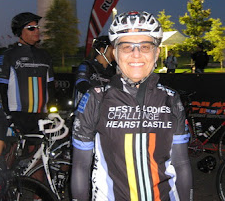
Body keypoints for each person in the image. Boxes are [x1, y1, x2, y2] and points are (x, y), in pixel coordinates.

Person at [71, 11, 193, 201]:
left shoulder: (171, 99)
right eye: (127, 47)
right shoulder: (95, 99)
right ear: (115, 52)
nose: (136, 54)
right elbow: (80, 166)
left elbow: (182, 163)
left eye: (145, 46)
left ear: (157, 52)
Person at [0, 12, 55, 134]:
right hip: (17, 114)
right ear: (20, 32)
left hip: (41, 115)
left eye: (37, 27)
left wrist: (52, 112)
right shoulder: (8, 55)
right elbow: (1, 88)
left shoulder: (45, 55)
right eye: (31, 28)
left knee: (39, 152)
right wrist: (7, 115)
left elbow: (51, 87)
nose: (37, 31)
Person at [73, 35, 116, 108]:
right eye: (112, 48)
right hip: (85, 112)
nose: (115, 51)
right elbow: (80, 82)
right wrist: (98, 94)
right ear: (102, 50)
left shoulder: (114, 70)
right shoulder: (87, 66)